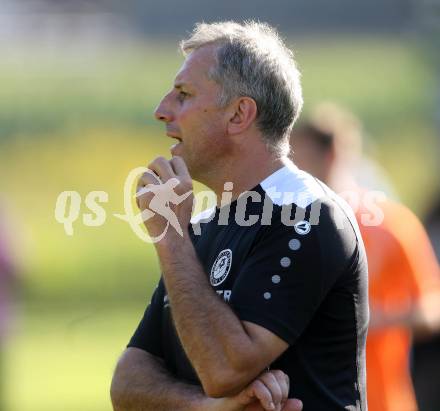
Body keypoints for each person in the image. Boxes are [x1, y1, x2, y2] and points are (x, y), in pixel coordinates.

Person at [111, 22, 369, 411]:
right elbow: (127, 383)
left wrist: (170, 237)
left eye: (183, 95)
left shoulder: (308, 217)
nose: (161, 111)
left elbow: (225, 372)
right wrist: (204, 407)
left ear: (239, 114)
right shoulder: (200, 227)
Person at [290, 103, 440, 411]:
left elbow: (432, 307)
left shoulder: (391, 223)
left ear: (331, 156)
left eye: (301, 160)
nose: (295, 171)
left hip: (381, 399)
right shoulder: (287, 225)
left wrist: (376, 318)